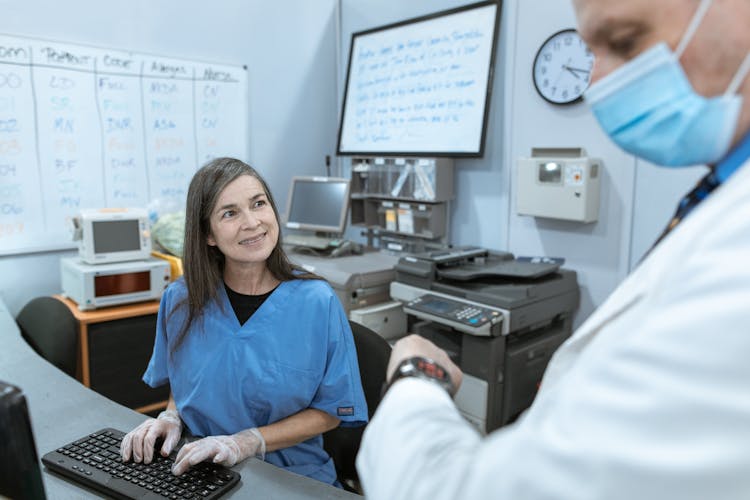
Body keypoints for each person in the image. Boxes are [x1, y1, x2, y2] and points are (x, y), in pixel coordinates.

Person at [356, 0, 750, 498]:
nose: (596, 83)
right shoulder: (723, 193)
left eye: (626, 40)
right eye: (590, 54)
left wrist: (416, 374)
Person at [119, 157, 367, 486]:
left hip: (290, 477)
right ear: (208, 234)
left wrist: (246, 442)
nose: (252, 222)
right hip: (202, 470)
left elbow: (331, 412)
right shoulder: (181, 300)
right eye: (230, 213)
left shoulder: (317, 303)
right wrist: (171, 416)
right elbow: (185, 382)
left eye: (258, 204)